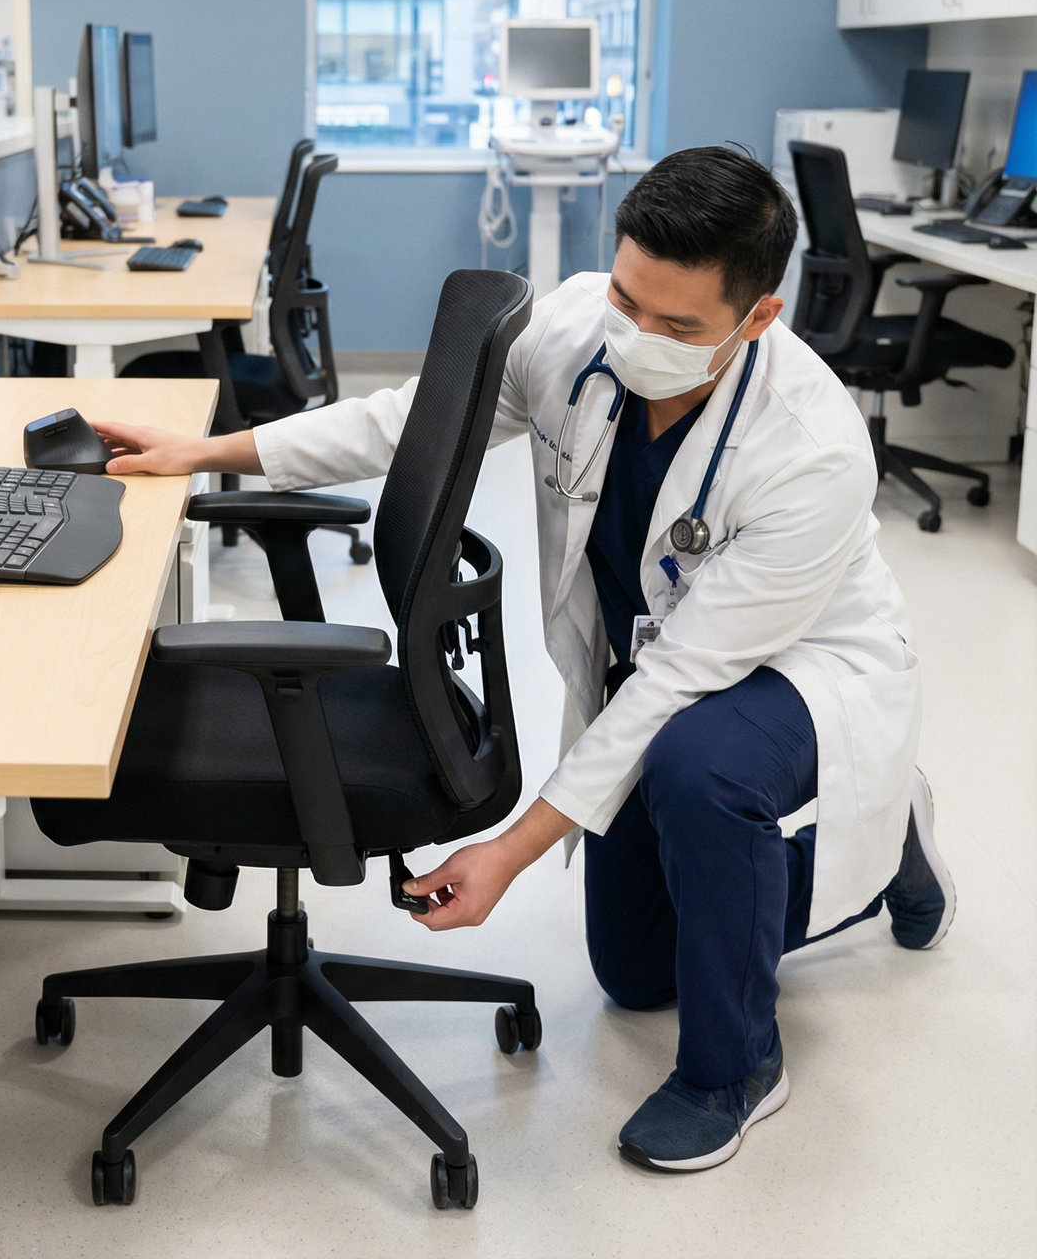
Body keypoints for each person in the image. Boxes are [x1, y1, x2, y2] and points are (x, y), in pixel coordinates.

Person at [93, 146, 956, 1174]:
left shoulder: (810, 450)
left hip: (803, 661)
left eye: (677, 326)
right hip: (655, 658)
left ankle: (735, 1068)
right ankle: (885, 833)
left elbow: (681, 678)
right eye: (628, 300)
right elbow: (406, 421)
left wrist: (508, 846)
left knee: (698, 766)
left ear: (757, 317)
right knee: (635, 972)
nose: (635, 336)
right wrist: (209, 452)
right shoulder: (580, 327)